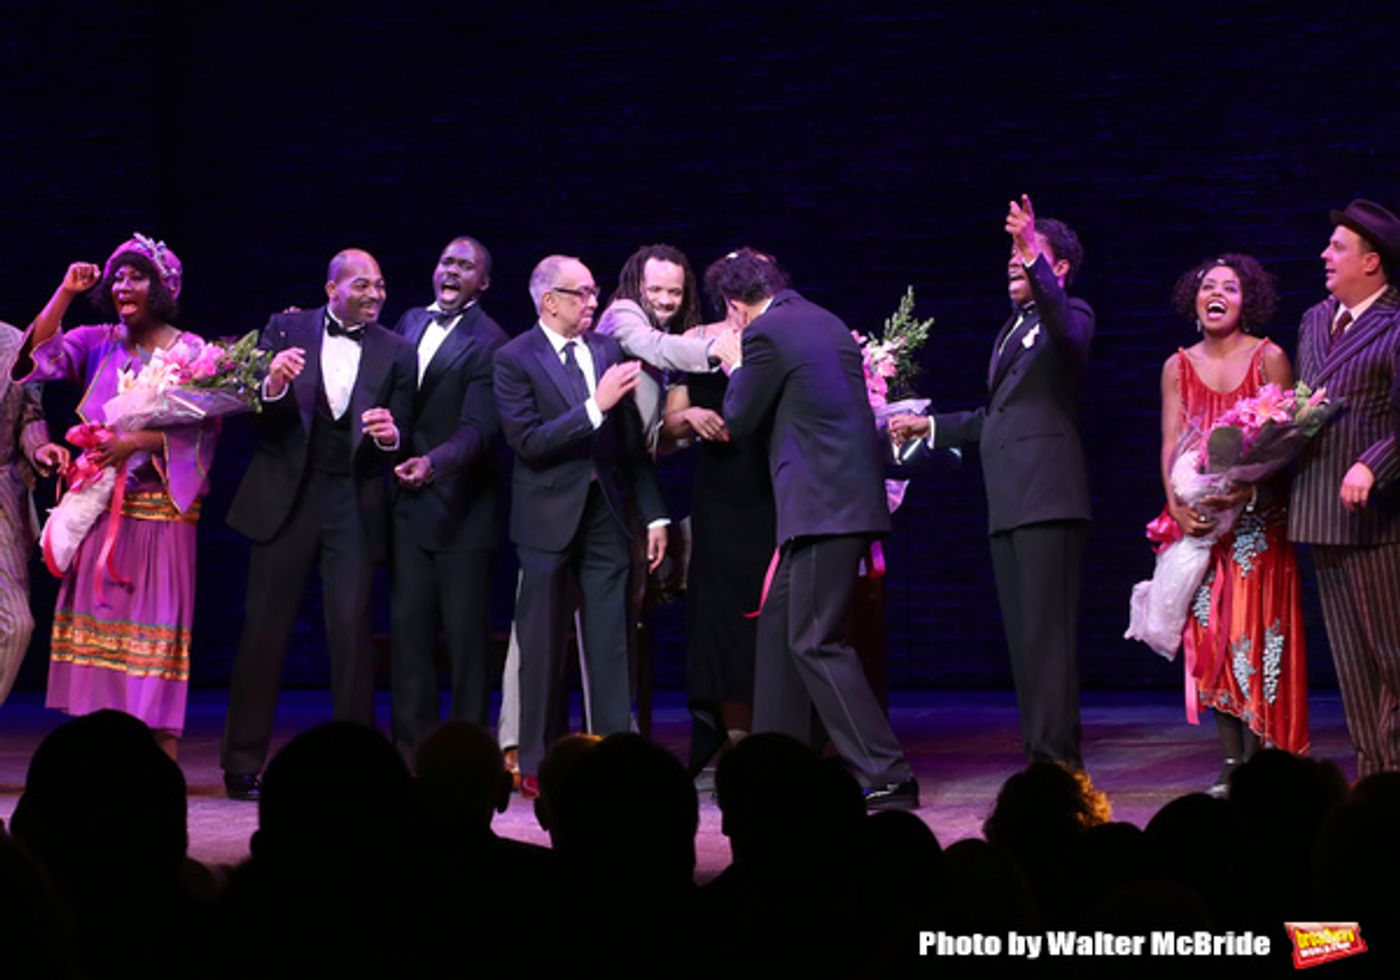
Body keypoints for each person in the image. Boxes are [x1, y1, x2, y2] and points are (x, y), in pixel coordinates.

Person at [891, 195, 1091, 770]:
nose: (1013, 260)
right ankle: (1041, 759)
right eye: (1011, 253)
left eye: (1025, 253)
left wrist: (1032, 255)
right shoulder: (1011, 329)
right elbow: (999, 417)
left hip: (1048, 499)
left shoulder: (1071, 316)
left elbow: (1067, 332)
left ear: (1057, 268)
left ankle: (1059, 768)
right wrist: (930, 425)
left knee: (1048, 640)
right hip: (1009, 502)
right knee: (1026, 642)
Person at [715, 248, 916, 810]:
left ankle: (889, 772)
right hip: (841, 502)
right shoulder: (824, 320)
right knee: (783, 632)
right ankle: (777, 768)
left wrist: (736, 363)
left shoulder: (765, 332)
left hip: (822, 507)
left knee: (817, 641)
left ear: (736, 305)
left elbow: (739, 419)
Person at [11, 236, 217, 756]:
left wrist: (137, 442)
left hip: (162, 518)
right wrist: (65, 291)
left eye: (137, 276)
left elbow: (203, 430)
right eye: (118, 277)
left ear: (164, 288)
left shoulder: (194, 354)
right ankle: (99, 759)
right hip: (101, 515)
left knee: (155, 636)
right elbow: (36, 356)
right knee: (100, 636)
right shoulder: (98, 341)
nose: (124, 285)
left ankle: (158, 760)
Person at [221, 248, 416, 799]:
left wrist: (391, 436)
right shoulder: (285, 329)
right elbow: (254, 411)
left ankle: (357, 763)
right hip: (288, 494)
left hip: (351, 498)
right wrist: (273, 384)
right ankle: (241, 761)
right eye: (362, 285)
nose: (375, 294)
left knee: (351, 633)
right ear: (332, 289)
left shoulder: (397, 351)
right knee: (264, 629)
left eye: (380, 285)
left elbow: (403, 426)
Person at [493, 255, 667, 794]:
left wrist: (655, 513)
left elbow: (629, 444)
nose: (594, 302)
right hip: (545, 517)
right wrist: (594, 406)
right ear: (550, 301)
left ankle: (616, 755)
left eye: (594, 292)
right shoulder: (513, 358)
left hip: (605, 513)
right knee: (542, 644)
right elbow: (528, 442)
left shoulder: (605, 350)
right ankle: (538, 761)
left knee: (611, 640)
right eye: (583, 293)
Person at [1155, 254, 1308, 792]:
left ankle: (1263, 758)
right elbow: (1171, 443)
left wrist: (1251, 488)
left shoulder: (1270, 358)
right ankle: (1230, 761)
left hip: (1257, 526)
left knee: (1257, 635)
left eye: (1230, 287)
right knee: (1210, 636)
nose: (1216, 293)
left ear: (1248, 302)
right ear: (1194, 299)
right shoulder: (1176, 366)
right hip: (1202, 524)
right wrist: (1177, 507)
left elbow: (1287, 444)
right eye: (1207, 286)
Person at [1290, 199, 1400, 777]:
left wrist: (1375, 463)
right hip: (1321, 506)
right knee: (1352, 664)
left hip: (1378, 517)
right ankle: (1373, 775)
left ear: (1372, 261)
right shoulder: (1315, 320)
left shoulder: (1396, 323)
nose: (1324, 255)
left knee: (1392, 655)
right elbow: (1304, 406)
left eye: (1338, 247)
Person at [388, 237, 507, 757]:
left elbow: (479, 430)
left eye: (465, 266)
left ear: (483, 282)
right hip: (408, 507)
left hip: (463, 509)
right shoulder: (410, 321)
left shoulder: (491, 341)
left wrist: (433, 463)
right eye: (446, 262)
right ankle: (411, 752)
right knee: (409, 636)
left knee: (465, 644)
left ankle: (466, 756)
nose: (452, 271)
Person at [661, 251, 779, 773]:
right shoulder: (695, 341)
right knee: (721, 618)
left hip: (771, 490)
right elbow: (668, 427)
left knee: (771, 616)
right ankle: (737, 740)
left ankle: (778, 737)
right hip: (720, 495)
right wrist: (691, 415)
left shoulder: (778, 335)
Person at [0, 320, 67, 703]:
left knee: (17, 624)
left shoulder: (16, 343)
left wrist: (40, 448)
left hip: (2, 496)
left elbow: (29, 416)